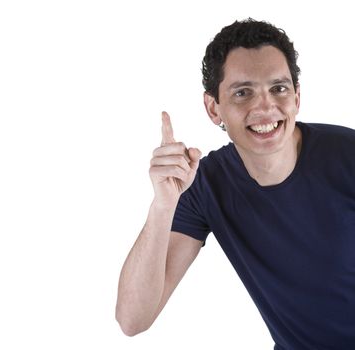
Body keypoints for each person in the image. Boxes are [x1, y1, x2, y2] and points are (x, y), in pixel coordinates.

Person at [115, 18, 355, 349]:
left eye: (278, 88)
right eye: (243, 93)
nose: (265, 107)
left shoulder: (348, 155)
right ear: (214, 108)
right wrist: (162, 205)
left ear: (297, 97)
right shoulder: (203, 184)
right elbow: (132, 319)